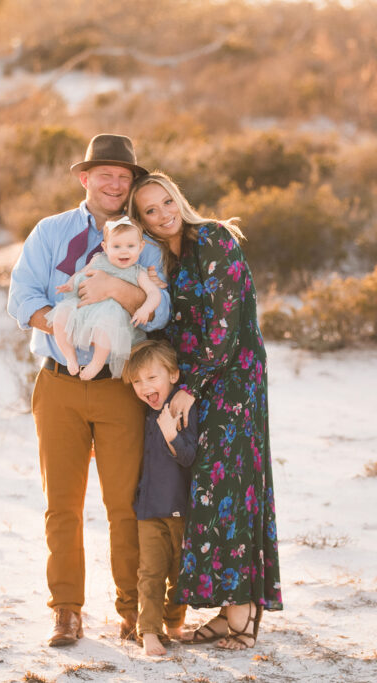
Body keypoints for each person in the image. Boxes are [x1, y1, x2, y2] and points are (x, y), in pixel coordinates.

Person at [6, 134, 171, 647]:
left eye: (124, 177)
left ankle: (130, 611)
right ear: (85, 178)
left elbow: (162, 311)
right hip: (58, 384)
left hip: (120, 386)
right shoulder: (51, 231)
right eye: (106, 175)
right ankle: (67, 611)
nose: (115, 184)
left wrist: (114, 290)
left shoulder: (147, 242)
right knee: (63, 504)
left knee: (126, 504)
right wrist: (55, 321)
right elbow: (21, 297)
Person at [124, 171, 283, 650]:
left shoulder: (213, 238)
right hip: (195, 381)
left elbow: (225, 327)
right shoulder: (166, 258)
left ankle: (243, 617)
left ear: (179, 198)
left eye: (166, 202)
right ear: (142, 221)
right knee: (207, 495)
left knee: (228, 486)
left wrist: (189, 387)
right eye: (150, 211)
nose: (163, 214)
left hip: (231, 380)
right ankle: (225, 610)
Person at [121, 340, 197, 657]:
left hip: (180, 510)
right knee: (150, 573)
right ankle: (149, 630)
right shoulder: (141, 414)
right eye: (137, 381)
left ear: (174, 376)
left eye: (152, 378)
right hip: (149, 510)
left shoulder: (183, 413)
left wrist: (171, 433)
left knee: (180, 573)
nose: (144, 387)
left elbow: (189, 456)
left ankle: (174, 624)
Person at [47, 216, 161, 380]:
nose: (124, 251)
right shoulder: (98, 259)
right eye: (116, 246)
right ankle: (70, 356)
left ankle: (96, 363)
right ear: (105, 247)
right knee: (60, 316)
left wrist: (145, 309)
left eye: (130, 246)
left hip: (111, 315)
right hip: (84, 307)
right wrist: (70, 284)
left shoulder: (138, 272)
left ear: (141, 247)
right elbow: (80, 273)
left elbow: (153, 293)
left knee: (105, 328)